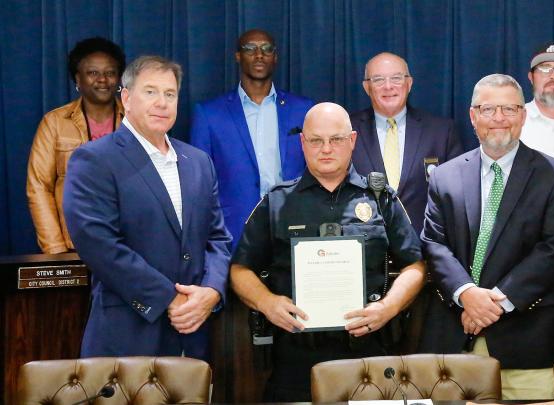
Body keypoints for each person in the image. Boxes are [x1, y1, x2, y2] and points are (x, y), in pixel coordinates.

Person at [229, 103, 426, 402]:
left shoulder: (380, 198)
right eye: (316, 140)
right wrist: (267, 302)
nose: (326, 149)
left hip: (369, 352)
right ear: (302, 143)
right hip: (296, 357)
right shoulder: (278, 201)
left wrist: (389, 307)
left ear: (352, 141)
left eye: (336, 139)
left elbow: (415, 265)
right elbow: (240, 270)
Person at [419, 74, 554, 400]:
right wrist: (467, 295)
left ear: (522, 115)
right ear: (473, 115)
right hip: (453, 338)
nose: (499, 119)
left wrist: (494, 304)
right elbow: (434, 243)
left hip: (528, 342)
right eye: (489, 109)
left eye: (509, 109)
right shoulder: (444, 177)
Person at [63, 56, 232, 359]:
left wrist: (212, 292)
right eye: (151, 92)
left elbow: (218, 238)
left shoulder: (198, 162)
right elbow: (98, 245)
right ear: (126, 98)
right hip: (129, 334)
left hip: (194, 335)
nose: (162, 103)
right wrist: (169, 299)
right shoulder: (95, 159)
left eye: (170, 94)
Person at [191, 29, 313, 248]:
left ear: (275, 57)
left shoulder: (303, 110)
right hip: (233, 232)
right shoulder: (209, 114)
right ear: (238, 56)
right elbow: (199, 184)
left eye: (266, 49)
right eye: (250, 49)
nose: (259, 55)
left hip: (294, 228)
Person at [27, 37, 126, 254]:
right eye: (93, 73)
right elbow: (39, 187)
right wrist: (56, 249)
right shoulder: (54, 123)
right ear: (77, 79)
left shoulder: (135, 122)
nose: (102, 80)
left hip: (127, 247)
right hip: (73, 245)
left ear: (119, 79)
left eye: (110, 73)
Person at [350, 52, 462, 234]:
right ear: (366, 87)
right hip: (365, 246)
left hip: (426, 246)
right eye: (378, 80)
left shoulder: (441, 131)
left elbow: (456, 197)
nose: (388, 86)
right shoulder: (346, 131)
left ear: (409, 84)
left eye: (396, 78)